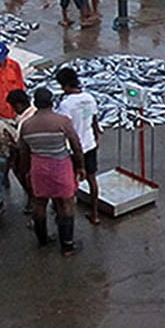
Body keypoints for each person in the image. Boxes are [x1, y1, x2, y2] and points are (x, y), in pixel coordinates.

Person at [18, 88, 85, 256]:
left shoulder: (26, 125)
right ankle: (67, 246)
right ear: (51, 102)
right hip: (61, 166)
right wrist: (80, 166)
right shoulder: (62, 121)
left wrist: (26, 172)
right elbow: (76, 146)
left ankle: (42, 240)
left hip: (38, 167)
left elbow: (23, 153)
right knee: (66, 204)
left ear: (35, 103)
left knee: (39, 203)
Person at [56, 67, 102, 225]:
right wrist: (96, 140)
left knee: (69, 181)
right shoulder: (90, 97)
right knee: (92, 179)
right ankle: (95, 214)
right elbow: (95, 122)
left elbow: (65, 128)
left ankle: (66, 213)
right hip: (89, 144)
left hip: (73, 149)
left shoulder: (66, 105)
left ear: (66, 85)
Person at [6, 88, 36, 213]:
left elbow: (21, 147)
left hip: (30, 155)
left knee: (23, 175)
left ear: (19, 105)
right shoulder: (35, 110)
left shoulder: (24, 122)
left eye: (13, 107)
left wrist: (11, 145)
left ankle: (32, 198)